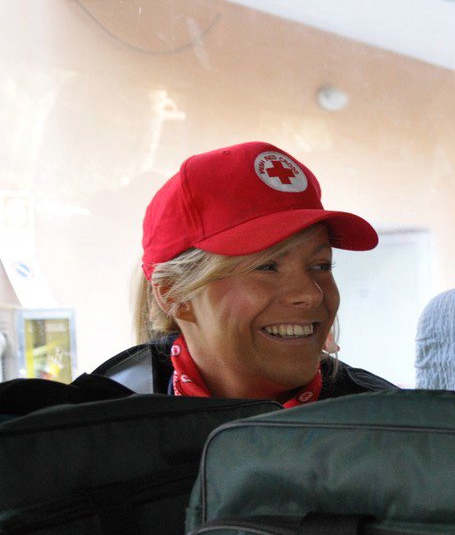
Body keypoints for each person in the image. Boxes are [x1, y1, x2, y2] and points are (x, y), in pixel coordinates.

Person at [95, 141, 394, 401]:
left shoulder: (393, 429)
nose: (311, 294)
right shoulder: (99, 433)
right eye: (267, 266)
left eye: (321, 265)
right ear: (174, 293)